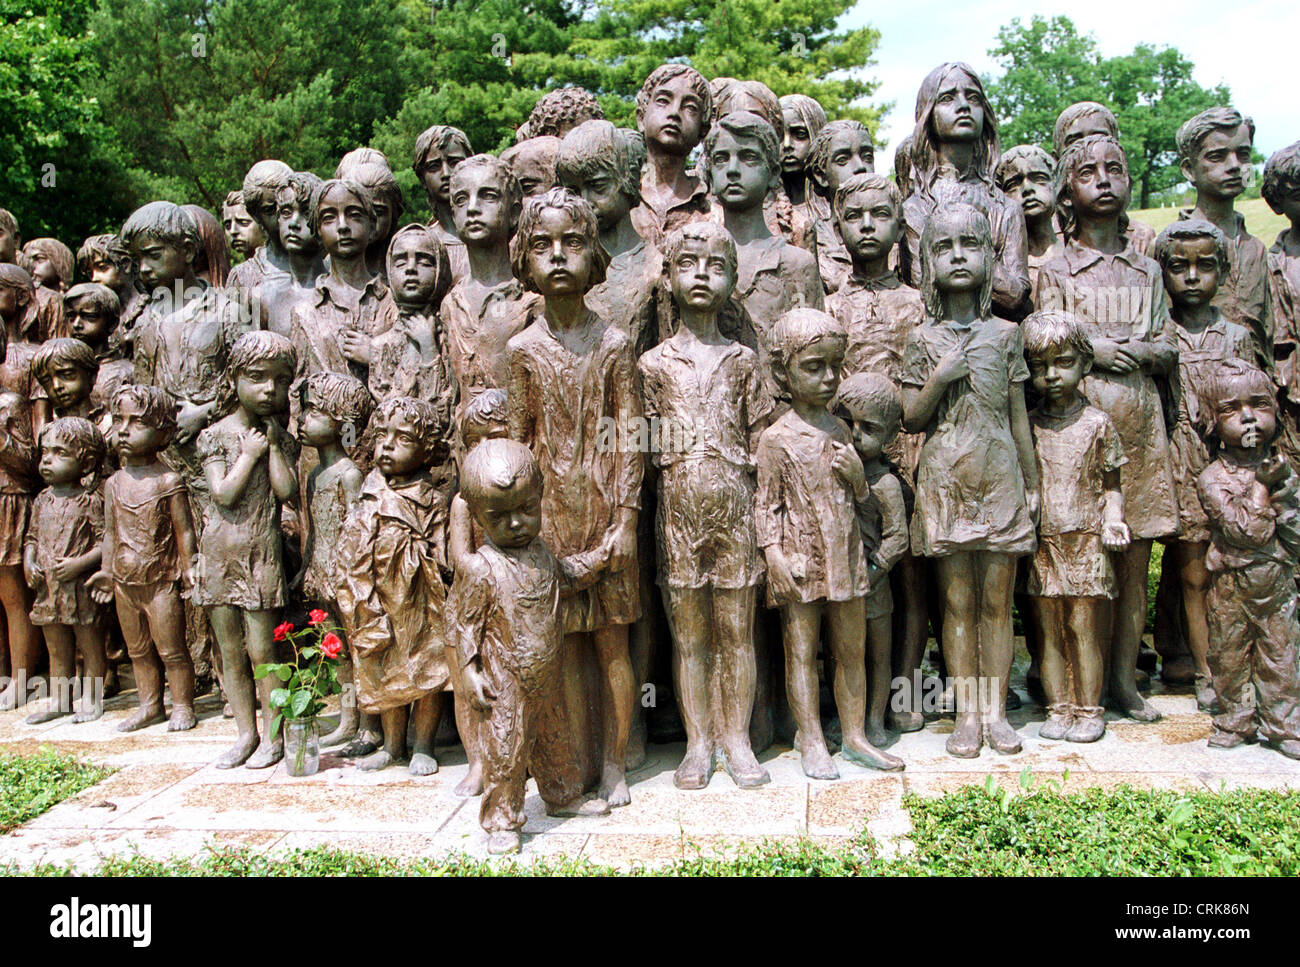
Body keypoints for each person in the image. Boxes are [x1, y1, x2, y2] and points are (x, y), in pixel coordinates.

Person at [902, 204, 1038, 757]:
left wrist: (1034, 483)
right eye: (944, 246)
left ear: (989, 257)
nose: (958, 255)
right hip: (945, 476)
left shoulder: (1008, 336)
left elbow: (1018, 416)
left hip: (999, 471)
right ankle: (966, 713)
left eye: (970, 244)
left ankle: (996, 711)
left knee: (996, 603)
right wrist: (940, 376)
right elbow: (911, 417)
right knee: (957, 602)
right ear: (928, 264)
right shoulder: (921, 338)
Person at [757, 308, 904, 778]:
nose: (828, 378)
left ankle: (856, 734)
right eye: (813, 367)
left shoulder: (843, 432)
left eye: (834, 367)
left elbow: (864, 508)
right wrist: (773, 556)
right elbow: (766, 507)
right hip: (800, 560)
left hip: (845, 558)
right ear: (784, 373)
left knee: (850, 651)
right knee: (801, 652)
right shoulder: (775, 439)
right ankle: (813, 740)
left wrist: (861, 484)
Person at [450, 439, 612, 854]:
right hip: (505, 682)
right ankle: (502, 820)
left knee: (556, 738)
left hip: (548, 671)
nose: (518, 523)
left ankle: (562, 795)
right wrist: (470, 672)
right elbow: (463, 625)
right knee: (506, 751)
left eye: (526, 509)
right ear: (477, 516)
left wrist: (601, 558)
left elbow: (567, 575)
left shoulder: (540, 553)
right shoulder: (482, 568)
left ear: (540, 499)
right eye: (499, 517)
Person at [1022, 311, 1130, 743]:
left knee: (1084, 627)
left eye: (1063, 362)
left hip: (1085, 539)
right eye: (1039, 366)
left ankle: (1089, 708)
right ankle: (1058, 705)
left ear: (1085, 363)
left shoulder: (1098, 424)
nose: (1051, 375)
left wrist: (1115, 518)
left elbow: (1113, 484)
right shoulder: (1026, 424)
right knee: (1048, 630)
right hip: (1043, 542)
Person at [1196, 361, 1300, 760]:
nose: (1249, 418)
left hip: (1275, 582)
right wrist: (1262, 488)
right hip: (1231, 585)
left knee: (1282, 654)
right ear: (1212, 421)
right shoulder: (1213, 478)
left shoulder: (1285, 473)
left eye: (1259, 405)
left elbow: (1294, 535)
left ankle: (1283, 724)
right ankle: (1234, 719)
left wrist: (1285, 497)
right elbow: (1246, 532)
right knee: (1228, 655)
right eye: (1231, 410)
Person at [88, 385, 199, 732]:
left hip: (160, 582)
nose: (123, 430)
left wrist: (189, 568)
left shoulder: (168, 480)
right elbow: (109, 532)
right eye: (119, 420)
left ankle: (182, 704)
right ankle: (150, 704)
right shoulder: (113, 484)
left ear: (163, 432)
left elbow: (184, 531)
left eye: (136, 422)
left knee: (172, 649)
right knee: (138, 650)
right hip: (124, 583)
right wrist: (106, 571)